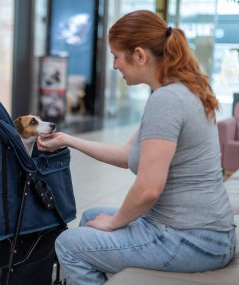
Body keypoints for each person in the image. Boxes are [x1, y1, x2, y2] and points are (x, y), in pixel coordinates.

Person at [37, 10, 236, 285]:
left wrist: (114, 222)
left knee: (69, 243)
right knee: (92, 216)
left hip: (192, 239)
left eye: (116, 56)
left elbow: (148, 188)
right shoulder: (178, 90)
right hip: (206, 233)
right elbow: (125, 156)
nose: (115, 66)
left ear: (140, 56)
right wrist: (69, 140)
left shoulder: (166, 101)